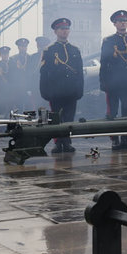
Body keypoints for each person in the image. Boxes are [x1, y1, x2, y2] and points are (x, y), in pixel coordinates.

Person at [40, 18, 84, 154]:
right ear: (55, 31)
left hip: (71, 91)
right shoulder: (49, 50)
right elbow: (43, 73)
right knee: (57, 119)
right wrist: (45, 92)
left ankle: (67, 142)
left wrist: (79, 90)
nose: (65, 31)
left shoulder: (75, 50)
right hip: (56, 91)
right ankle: (58, 143)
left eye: (66, 29)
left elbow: (80, 73)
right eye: (61, 29)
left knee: (69, 118)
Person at [100, 10, 127, 149]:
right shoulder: (109, 41)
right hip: (113, 83)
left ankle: (125, 139)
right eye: (120, 21)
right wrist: (103, 82)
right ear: (115, 24)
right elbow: (104, 63)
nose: (123, 23)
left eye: (125, 21)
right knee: (112, 112)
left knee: (126, 111)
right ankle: (114, 139)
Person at [9, 37, 32, 111]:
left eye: (25, 46)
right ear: (18, 47)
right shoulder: (13, 59)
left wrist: (30, 88)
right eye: (21, 46)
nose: (23, 48)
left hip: (28, 87)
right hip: (17, 88)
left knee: (29, 109)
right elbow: (11, 75)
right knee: (18, 108)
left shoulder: (31, 58)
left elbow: (32, 74)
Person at [29, 36, 52, 108]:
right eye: (40, 46)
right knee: (37, 107)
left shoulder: (51, 57)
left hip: (48, 87)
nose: (41, 48)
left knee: (48, 108)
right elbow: (29, 74)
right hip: (36, 87)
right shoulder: (33, 57)